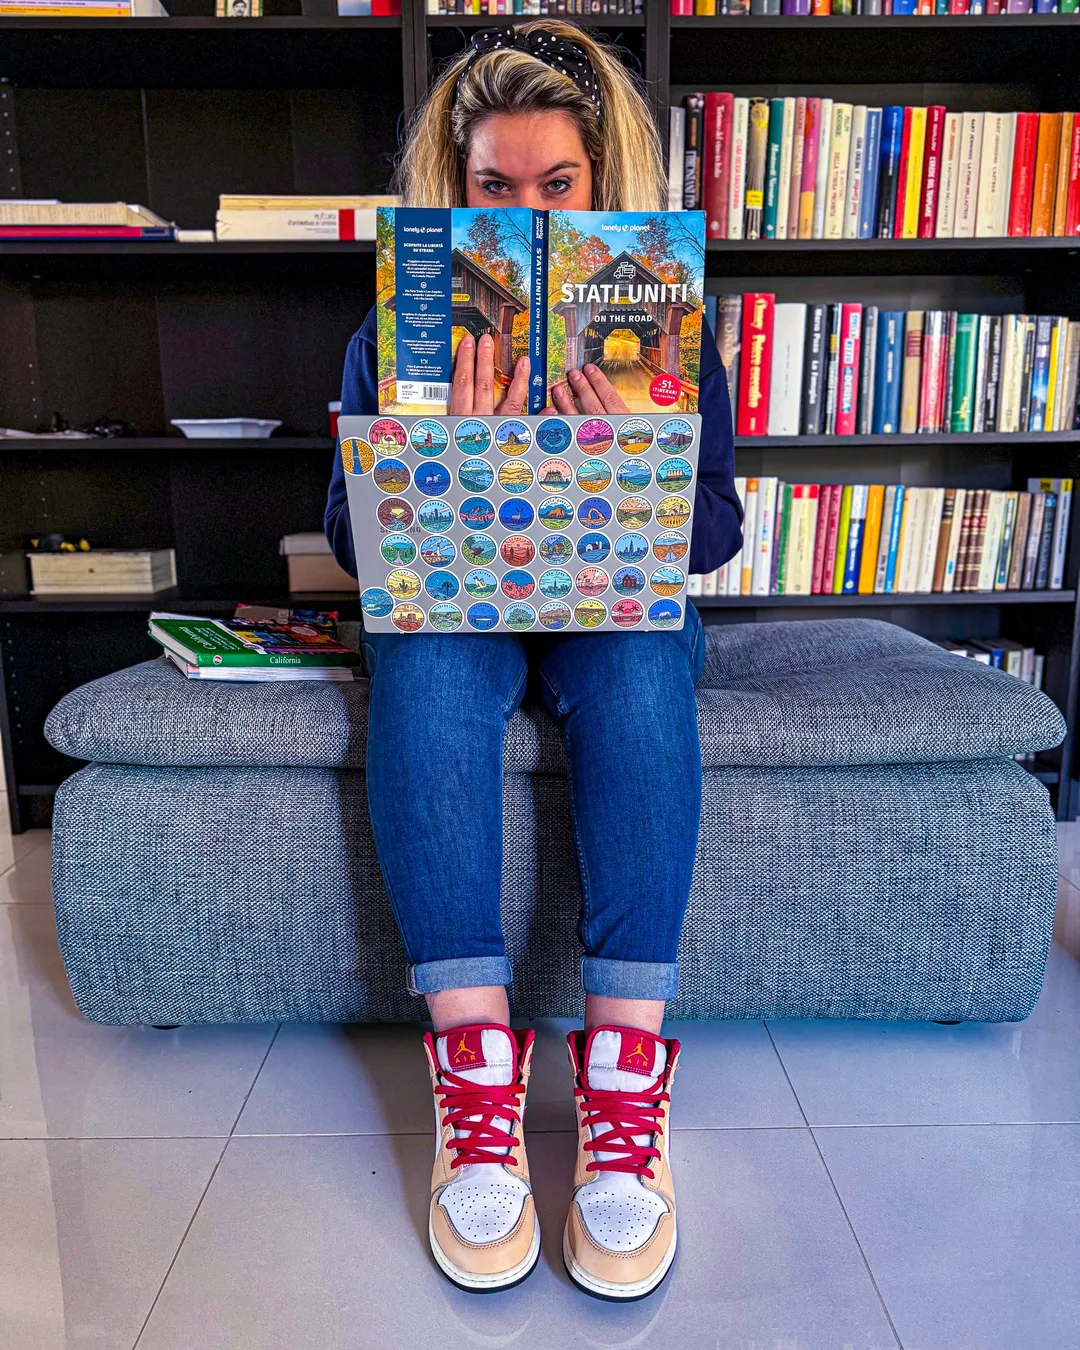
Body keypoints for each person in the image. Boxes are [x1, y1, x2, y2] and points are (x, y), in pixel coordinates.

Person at [325, 19, 742, 1301]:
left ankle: (622, 1086)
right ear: (455, 190)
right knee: (423, 668)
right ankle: (475, 1077)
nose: (528, 212)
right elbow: (351, 535)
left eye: (557, 185)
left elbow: (716, 531)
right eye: (493, 187)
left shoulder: (666, 324)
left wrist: (630, 458)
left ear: (599, 183)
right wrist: (441, 451)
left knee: (640, 666)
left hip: (613, 601)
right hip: (461, 600)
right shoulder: (397, 329)